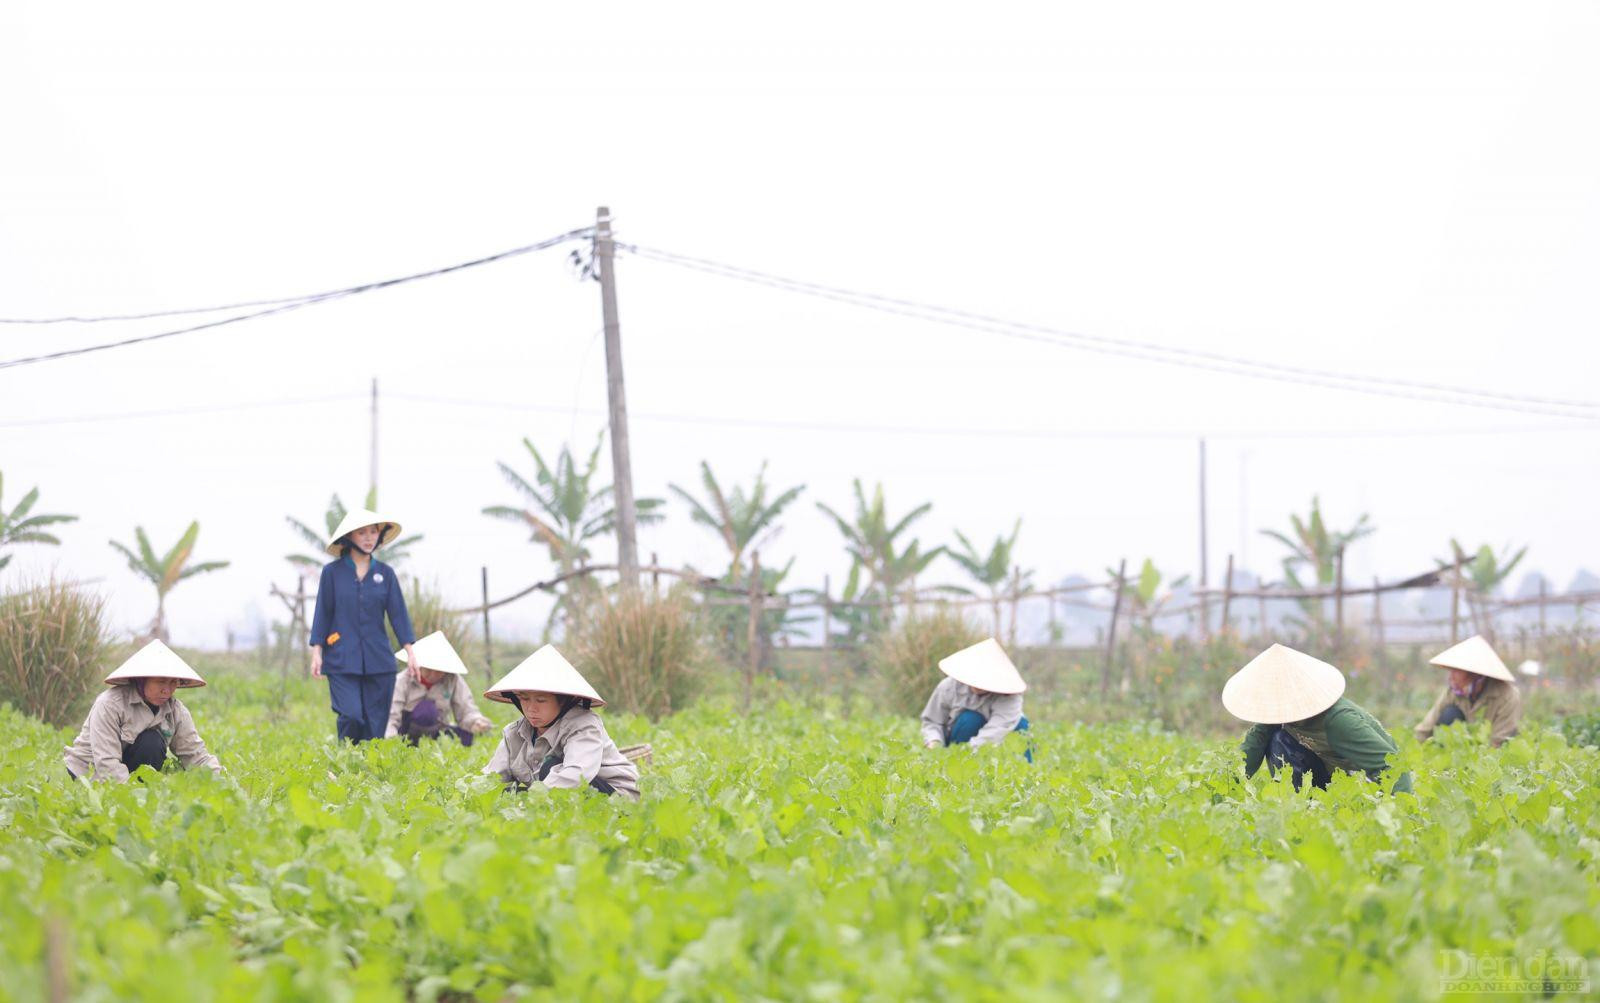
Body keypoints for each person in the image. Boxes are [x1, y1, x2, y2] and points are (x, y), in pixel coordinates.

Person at [1225, 643, 1412, 794]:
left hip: (1360, 784)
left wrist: (1404, 812)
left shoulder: (1340, 720)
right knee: (1279, 741)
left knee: (1281, 741)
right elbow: (1250, 750)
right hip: (1328, 776)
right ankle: (1299, 808)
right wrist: (1225, 790)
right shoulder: (1278, 714)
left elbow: (1390, 766)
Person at [308, 507, 416, 743]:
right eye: (362, 532)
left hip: (379, 661)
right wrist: (317, 652)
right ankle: (346, 759)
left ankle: (364, 773)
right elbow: (322, 614)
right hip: (340, 659)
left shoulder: (386, 574)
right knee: (351, 715)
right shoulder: (332, 573)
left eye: (373, 532)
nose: (369, 538)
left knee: (375, 726)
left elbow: (398, 614)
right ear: (349, 537)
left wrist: (410, 651)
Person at [481, 645, 640, 799]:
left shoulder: (584, 725)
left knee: (549, 768)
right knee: (510, 794)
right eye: (524, 699)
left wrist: (531, 802)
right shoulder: (514, 733)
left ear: (563, 701)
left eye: (541, 700)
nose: (531, 708)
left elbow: (576, 776)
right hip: (555, 794)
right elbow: (492, 777)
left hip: (616, 795)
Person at [63, 639, 222, 782]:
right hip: (88, 774)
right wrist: (135, 796)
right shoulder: (110, 704)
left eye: (173, 682)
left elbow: (196, 756)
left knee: (151, 742)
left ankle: (141, 790)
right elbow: (106, 763)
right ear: (142, 680)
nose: (167, 690)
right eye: (161, 682)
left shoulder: (176, 711)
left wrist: (222, 780)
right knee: (150, 743)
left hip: (127, 770)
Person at [919, 637, 1031, 758]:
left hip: (996, 743)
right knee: (970, 719)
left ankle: (1024, 771)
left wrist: (968, 754)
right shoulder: (948, 687)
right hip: (960, 739)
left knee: (1021, 725)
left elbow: (995, 732)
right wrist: (934, 742)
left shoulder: (1011, 697)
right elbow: (932, 721)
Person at [385, 630, 493, 745]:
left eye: (439, 671)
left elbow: (466, 708)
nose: (433, 674)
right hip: (406, 732)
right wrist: (391, 741)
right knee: (426, 710)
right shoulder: (403, 680)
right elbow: (392, 715)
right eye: (429, 669)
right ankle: (413, 746)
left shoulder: (452, 679)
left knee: (467, 735)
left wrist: (476, 722)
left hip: (438, 729)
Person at [1414, 635, 1522, 747]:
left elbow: (1499, 742)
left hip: (1491, 753)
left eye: (1456, 671)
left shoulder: (1507, 696)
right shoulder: (1453, 691)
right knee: (1450, 714)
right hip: (1459, 751)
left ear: (1475, 674)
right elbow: (1425, 728)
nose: (1451, 677)